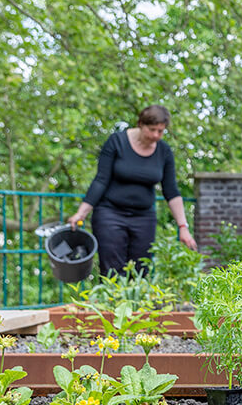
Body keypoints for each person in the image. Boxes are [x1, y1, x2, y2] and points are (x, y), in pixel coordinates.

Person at [68, 104, 197, 276]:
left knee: (140, 271)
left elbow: (171, 191)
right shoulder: (117, 142)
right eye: (152, 130)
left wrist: (183, 226)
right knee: (112, 272)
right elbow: (100, 180)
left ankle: (137, 304)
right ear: (140, 124)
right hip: (110, 214)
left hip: (144, 218)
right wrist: (81, 213)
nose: (156, 135)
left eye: (161, 131)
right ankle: (112, 302)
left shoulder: (164, 151)